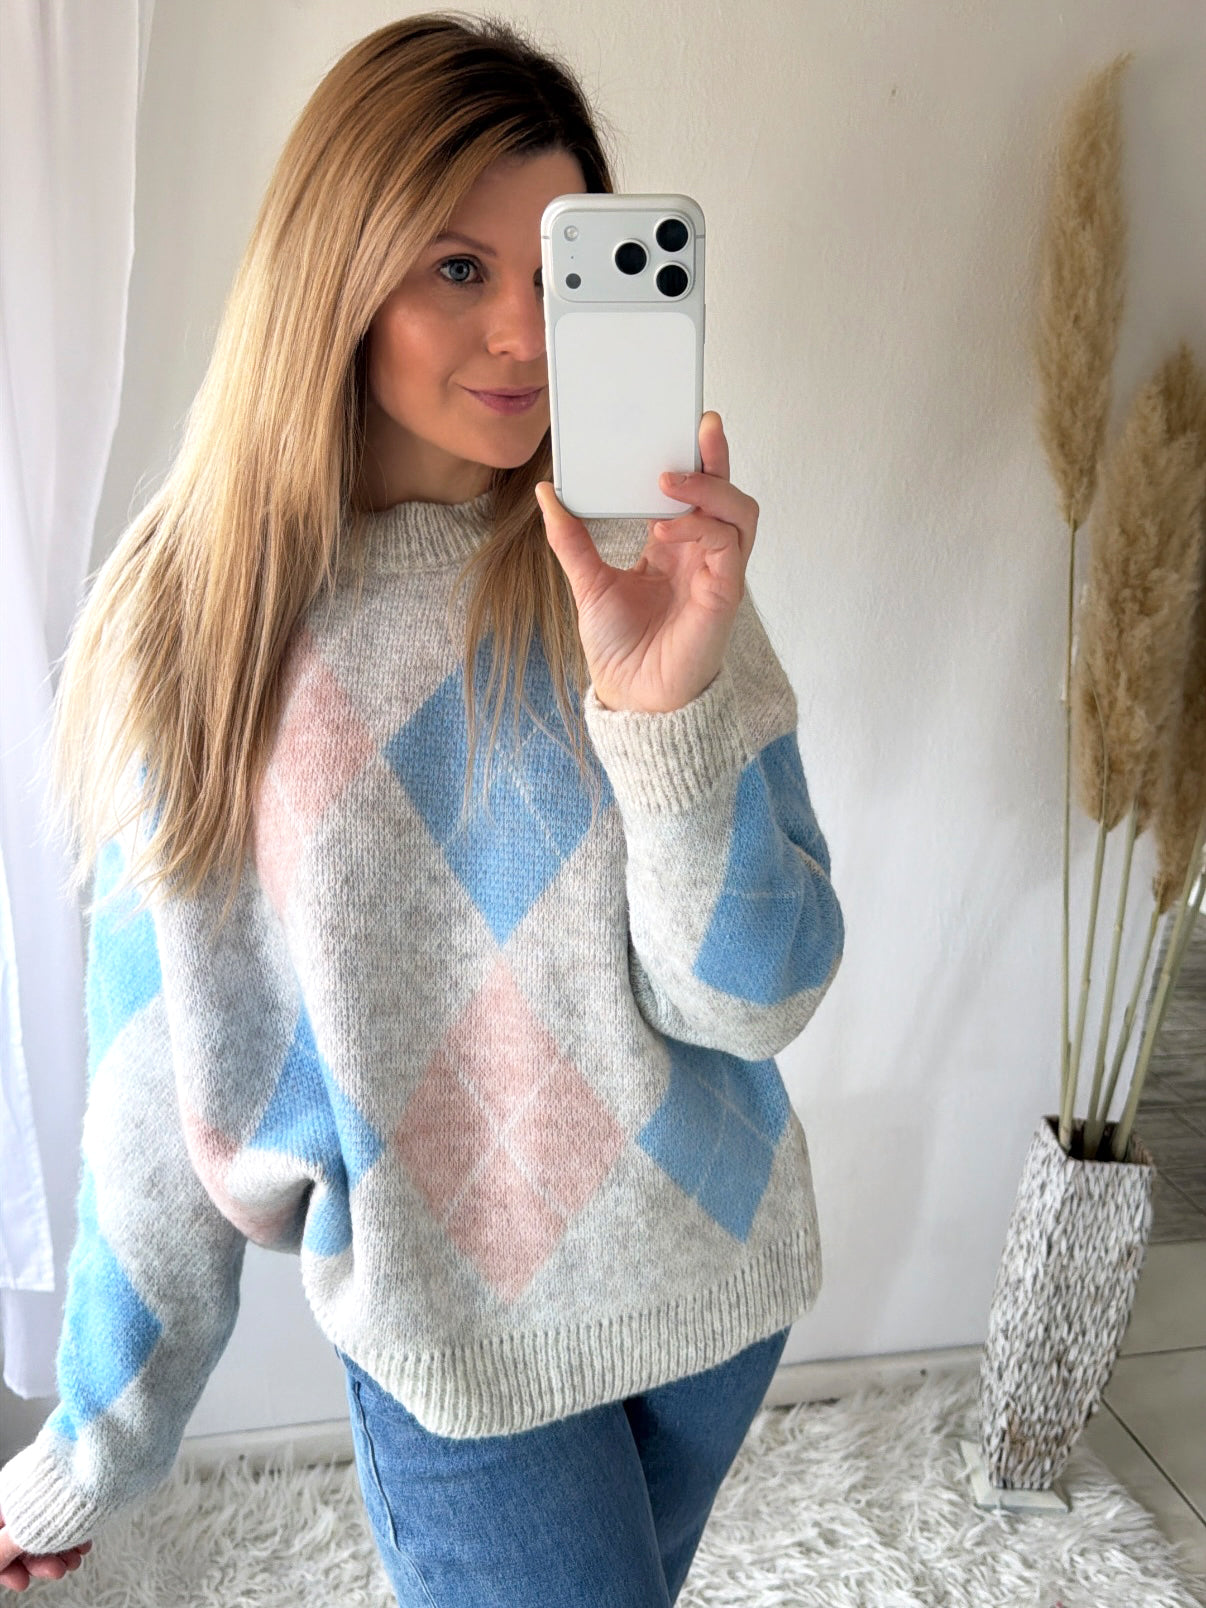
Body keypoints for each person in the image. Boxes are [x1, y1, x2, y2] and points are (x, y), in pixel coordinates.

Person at [0, 12, 844, 1602]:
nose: (523, 333)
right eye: (457, 267)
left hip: (714, 1290)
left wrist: (666, 708)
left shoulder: (646, 564)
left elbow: (755, 998)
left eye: (558, 273)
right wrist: (94, 1447)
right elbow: (150, 1087)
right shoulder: (202, 622)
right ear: (334, 271)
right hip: (454, 1341)